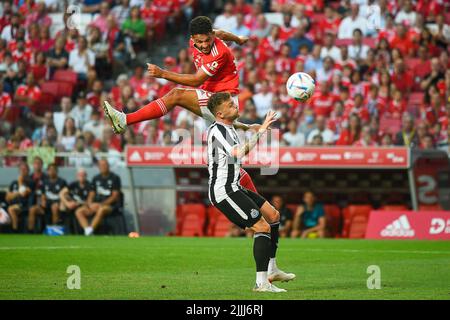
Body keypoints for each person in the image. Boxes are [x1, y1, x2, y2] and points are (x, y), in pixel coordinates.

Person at [103, 16, 261, 195]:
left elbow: (196, 80)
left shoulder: (219, 53)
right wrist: (238, 39)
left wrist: (163, 73)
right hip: (214, 98)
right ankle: (263, 207)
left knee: (176, 95)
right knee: (227, 164)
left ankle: (125, 120)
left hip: (225, 101)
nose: (203, 45)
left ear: (211, 36)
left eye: (207, 40)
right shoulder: (204, 37)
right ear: (193, 38)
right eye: (199, 41)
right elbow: (223, 33)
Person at [206, 92, 295, 293]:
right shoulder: (218, 131)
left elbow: (237, 126)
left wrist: (249, 126)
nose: (235, 105)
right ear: (220, 113)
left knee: (273, 215)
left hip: (235, 186)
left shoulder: (227, 127)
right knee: (261, 227)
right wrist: (261, 129)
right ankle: (261, 283)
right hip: (224, 191)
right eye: (230, 105)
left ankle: (272, 269)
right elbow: (239, 152)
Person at [74, 159, 121, 236]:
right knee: (79, 211)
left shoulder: (115, 178)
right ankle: (87, 229)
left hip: (110, 206)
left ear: (108, 166)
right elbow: (91, 194)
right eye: (101, 165)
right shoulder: (95, 178)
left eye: (105, 165)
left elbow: (114, 196)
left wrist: (100, 204)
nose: (103, 167)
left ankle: (90, 230)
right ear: (98, 167)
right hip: (96, 204)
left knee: (101, 209)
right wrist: (90, 204)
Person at [28, 164, 67, 233]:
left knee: (54, 207)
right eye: (50, 170)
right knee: (32, 209)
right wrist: (42, 201)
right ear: (48, 171)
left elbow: (65, 195)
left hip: (56, 205)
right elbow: (41, 194)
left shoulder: (62, 182)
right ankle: (30, 231)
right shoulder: (44, 182)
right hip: (45, 206)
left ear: (57, 171)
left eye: (53, 170)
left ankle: (54, 230)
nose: (52, 171)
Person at [5, 162, 33, 232]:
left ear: (28, 171)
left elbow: (24, 194)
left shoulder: (30, 182)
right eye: (21, 169)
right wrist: (17, 193)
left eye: (25, 169)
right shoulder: (14, 183)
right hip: (13, 204)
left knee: (11, 209)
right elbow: (7, 197)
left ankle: (15, 230)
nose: (23, 171)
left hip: (24, 206)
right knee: (10, 208)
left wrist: (20, 182)